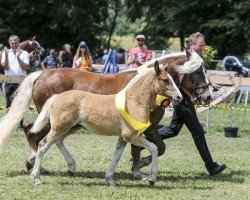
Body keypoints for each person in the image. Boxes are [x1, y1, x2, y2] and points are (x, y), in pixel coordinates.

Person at [157, 32, 226, 176]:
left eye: (203, 43)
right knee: (198, 132)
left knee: (173, 129)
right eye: (200, 44)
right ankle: (211, 167)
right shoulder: (186, 60)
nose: (203, 46)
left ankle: (146, 136)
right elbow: (180, 83)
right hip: (183, 101)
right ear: (191, 45)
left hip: (184, 101)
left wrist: (211, 83)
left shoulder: (195, 59)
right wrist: (191, 97)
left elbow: (202, 74)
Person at [1, 35, 29, 128]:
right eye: (12, 43)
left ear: (18, 42)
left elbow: (25, 67)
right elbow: (5, 67)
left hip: (21, 81)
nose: (14, 44)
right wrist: (7, 56)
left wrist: (18, 57)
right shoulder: (5, 53)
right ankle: (9, 124)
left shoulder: (24, 53)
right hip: (9, 80)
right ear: (9, 43)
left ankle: (20, 125)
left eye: (15, 42)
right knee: (9, 103)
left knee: (20, 103)